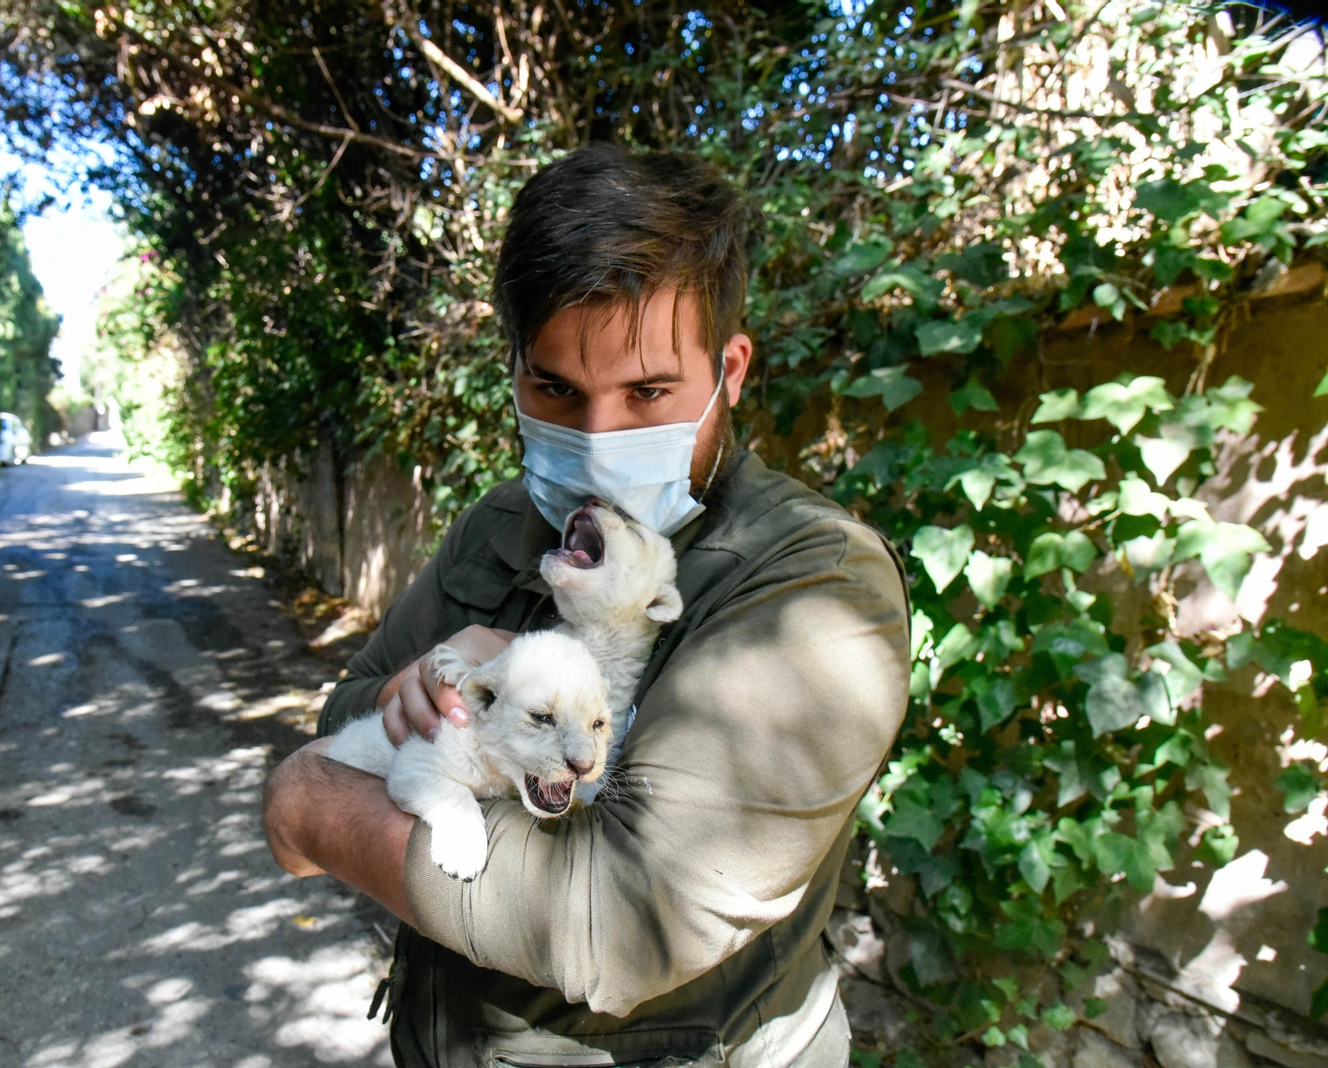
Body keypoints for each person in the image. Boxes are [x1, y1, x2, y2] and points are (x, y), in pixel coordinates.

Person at [262, 143, 910, 1067]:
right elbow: (354, 704)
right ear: (516, 370)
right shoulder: (503, 522)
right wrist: (422, 693)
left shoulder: (814, 588)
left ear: (729, 370)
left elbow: (620, 923)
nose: (598, 444)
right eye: (556, 390)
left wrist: (311, 802)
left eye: (648, 391)